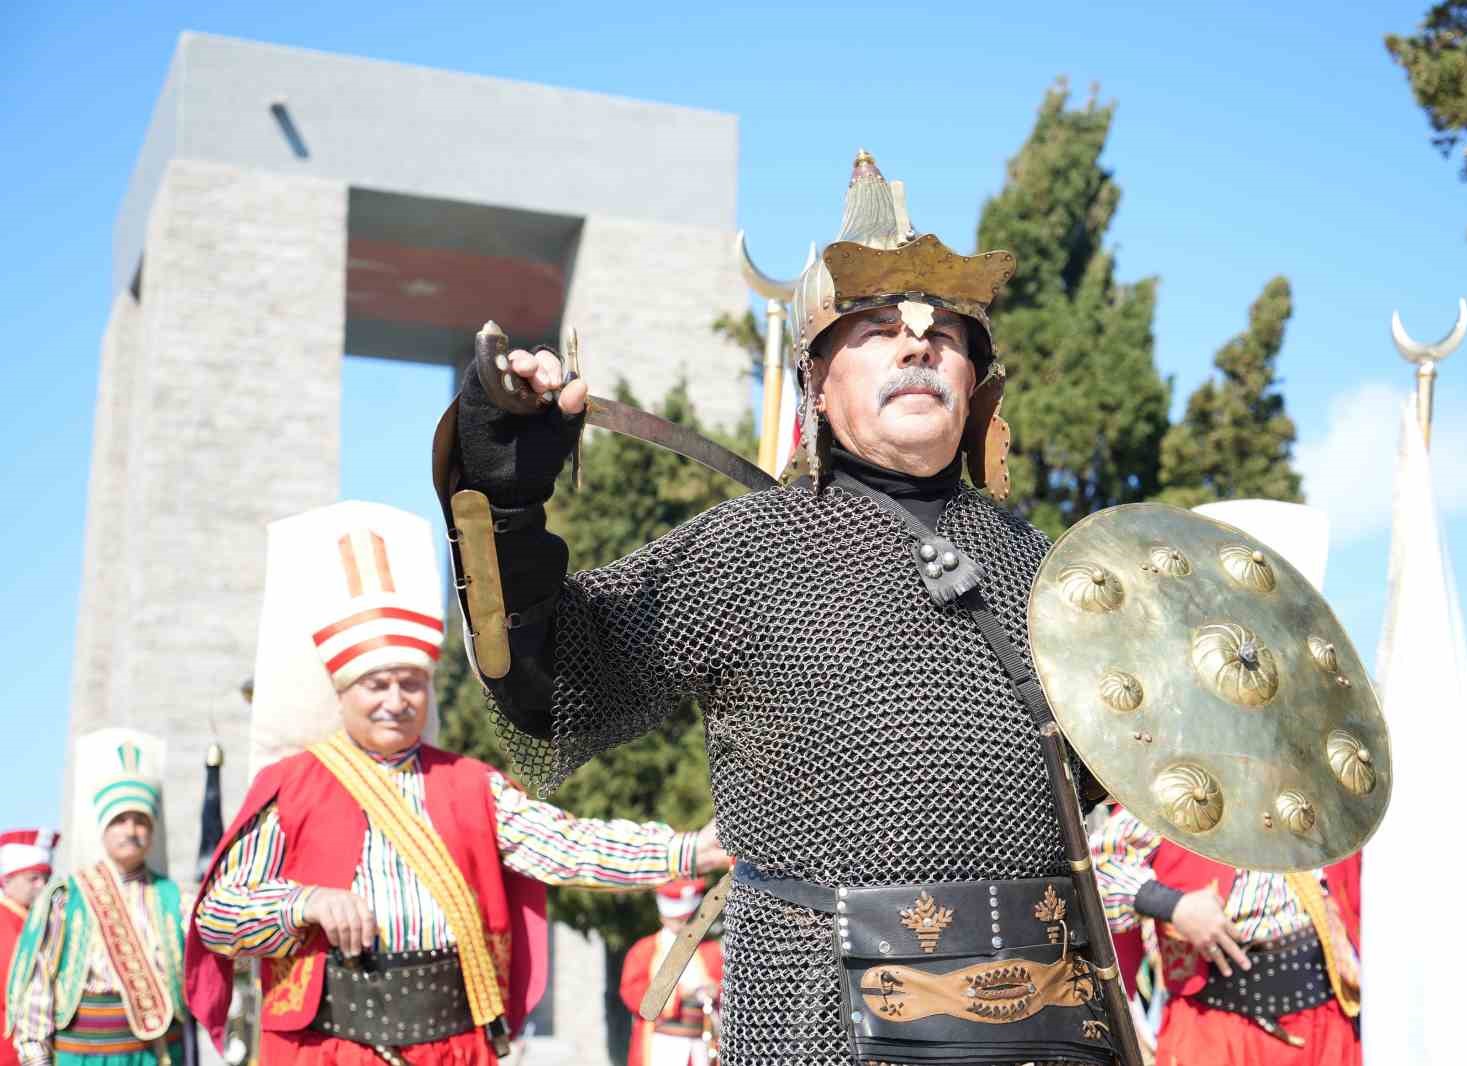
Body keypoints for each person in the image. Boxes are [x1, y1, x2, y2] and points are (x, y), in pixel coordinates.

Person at [434, 150, 1113, 1065]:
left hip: (1047, 1020)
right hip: (818, 1012)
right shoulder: (749, 552)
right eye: (873, 326)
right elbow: (549, 686)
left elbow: (1128, 779)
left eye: (945, 332)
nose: (917, 344)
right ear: (817, 387)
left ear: (980, 385)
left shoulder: (1054, 574)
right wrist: (505, 509)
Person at [184, 501, 728, 1066]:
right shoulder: (293, 786)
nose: (396, 701)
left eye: (411, 684)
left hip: (454, 1048)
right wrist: (304, 903)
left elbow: (568, 848)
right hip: (333, 1048)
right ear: (342, 693)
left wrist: (689, 849)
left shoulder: (471, 784)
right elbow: (218, 917)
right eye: (377, 684)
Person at [1090, 501, 1362, 1066]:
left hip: (1328, 1025)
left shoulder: (1330, 754)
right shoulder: (1178, 753)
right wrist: (1170, 905)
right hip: (1218, 1032)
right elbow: (1098, 865)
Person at [7, 734, 186, 1066]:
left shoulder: (172, 897)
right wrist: (35, 1056)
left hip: (155, 1054)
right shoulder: (66, 897)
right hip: (81, 1055)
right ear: (102, 827)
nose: (131, 830)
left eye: (141, 821)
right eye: (119, 820)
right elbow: (39, 981)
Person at [619, 879, 723, 1066]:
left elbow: (729, 990)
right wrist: (677, 994)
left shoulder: (711, 950)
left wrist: (715, 991)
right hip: (660, 1042)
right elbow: (632, 994)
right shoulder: (645, 950)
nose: (684, 925)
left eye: (689, 918)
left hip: (701, 1044)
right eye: (679, 919)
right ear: (664, 917)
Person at [0, 831, 58, 1066]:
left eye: (45, 878)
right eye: (33, 878)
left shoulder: (38, 919)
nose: (42, 885)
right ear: (6, 880)